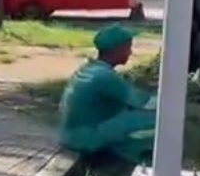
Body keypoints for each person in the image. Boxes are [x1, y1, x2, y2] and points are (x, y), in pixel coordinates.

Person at [58, 24, 156, 165]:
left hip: (69, 135)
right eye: (128, 47)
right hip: (85, 138)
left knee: (127, 118)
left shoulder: (90, 68)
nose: (130, 52)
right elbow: (145, 103)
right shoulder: (105, 76)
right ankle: (138, 161)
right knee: (158, 120)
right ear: (117, 49)